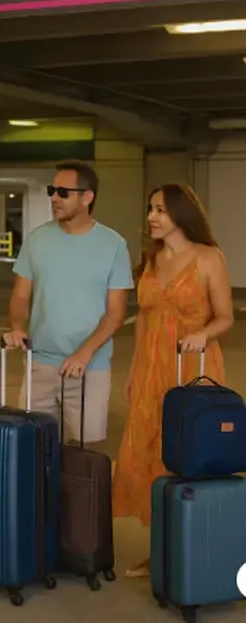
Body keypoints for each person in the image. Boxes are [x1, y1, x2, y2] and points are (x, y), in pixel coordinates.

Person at [112, 183, 234, 578]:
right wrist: (134, 369)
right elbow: (145, 317)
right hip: (152, 367)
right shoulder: (151, 261)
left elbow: (225, 316)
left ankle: (195, 541)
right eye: (150, 208)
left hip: (195, 369)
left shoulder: (209, 258)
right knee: (150, 453)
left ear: (181, 214)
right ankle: (161, 547)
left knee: (189, 451)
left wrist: (204, 333)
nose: (151, 217)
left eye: (160, 210)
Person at [5, 160, 133, 444]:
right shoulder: (37, 240)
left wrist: (84, 353)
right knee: (32, 448)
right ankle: (39, 491)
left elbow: (116, 313)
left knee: (84, 454)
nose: (53, 197)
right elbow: (21, 294)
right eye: (52, 190)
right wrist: (17, 326)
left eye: (63, 192)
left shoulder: (113, 245)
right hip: (40, 363)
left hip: (89, 368)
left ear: (87, 197)